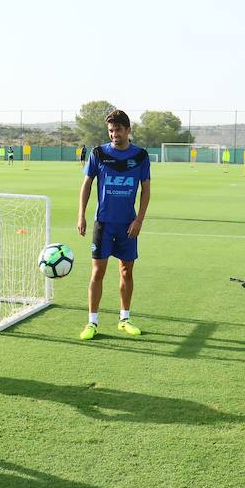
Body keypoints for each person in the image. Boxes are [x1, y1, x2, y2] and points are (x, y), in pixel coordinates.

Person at [77, 110, 151, 340]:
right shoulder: (98, 153)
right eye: (111, 131)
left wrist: (139, 219)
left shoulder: (140, 156)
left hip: (128, 225)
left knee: (127, 271)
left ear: (128, 130)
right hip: (104, 224)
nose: (114, 135)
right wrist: (81, 215)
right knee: (97, 271)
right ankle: (92, 322)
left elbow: (146, 189)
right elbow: (87, 185)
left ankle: (124, 319)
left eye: (118, 130)